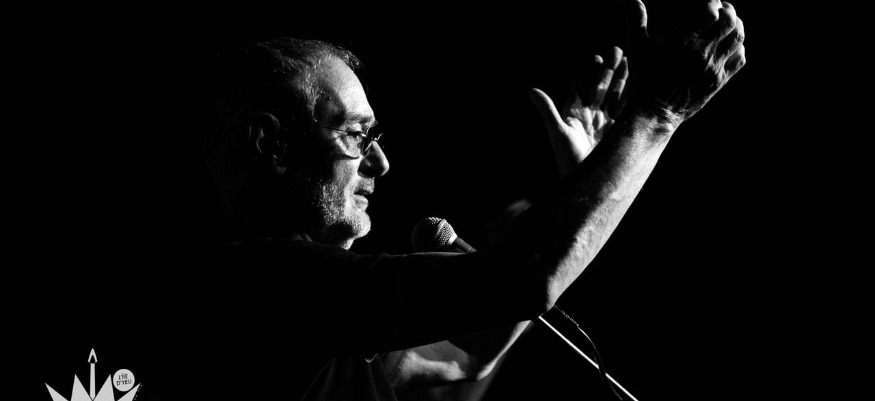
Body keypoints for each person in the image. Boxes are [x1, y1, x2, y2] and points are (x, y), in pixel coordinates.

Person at [160, 1, 746, 400]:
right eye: (356, 136)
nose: (381, 164)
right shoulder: (253, 287)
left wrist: (581, 184)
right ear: (271, 145)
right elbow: (523, 280)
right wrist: (658, 114)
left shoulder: (325, 328)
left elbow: (470, 354)